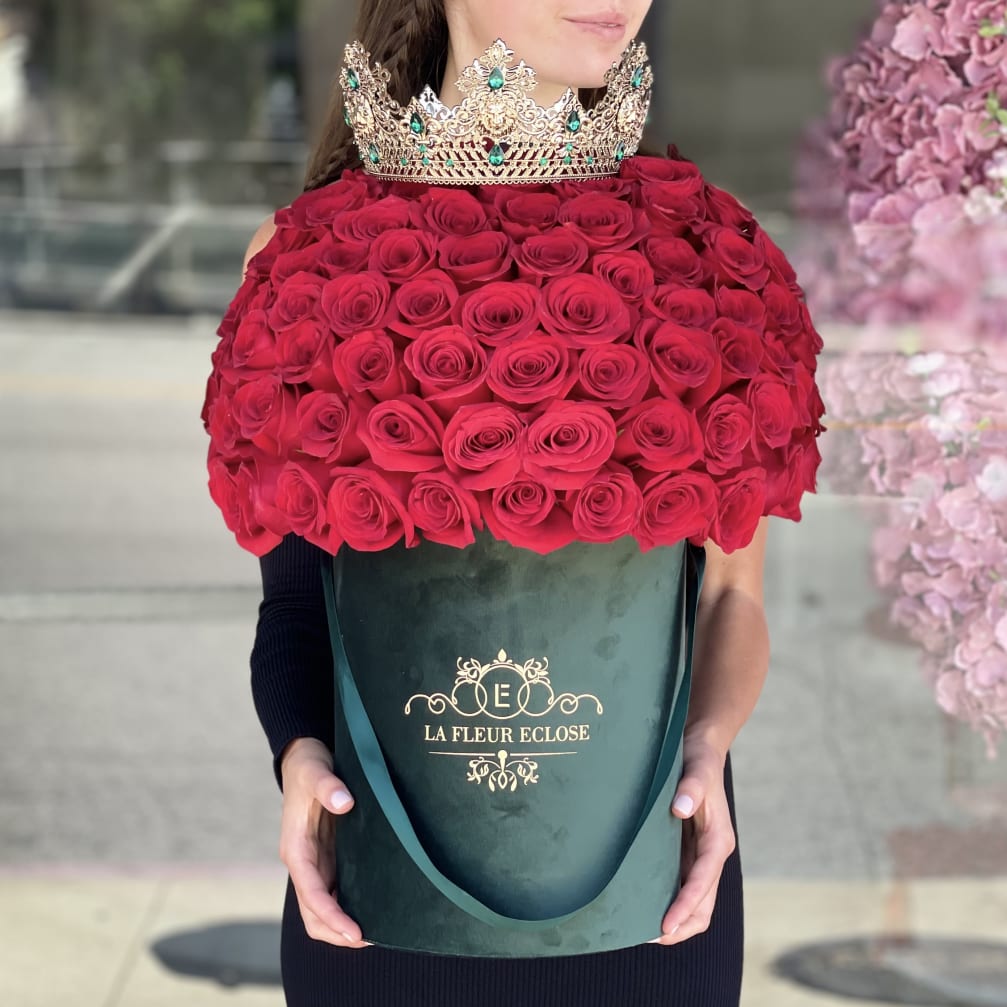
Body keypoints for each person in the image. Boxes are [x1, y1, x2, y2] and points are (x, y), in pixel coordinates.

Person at [202, 0, 825, 1003]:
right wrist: (299, 755)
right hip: (382, 904)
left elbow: (728, 596)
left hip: (643, 895)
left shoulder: (706, 259)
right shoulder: (300, 263)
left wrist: (707, 745)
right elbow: (296, 603)